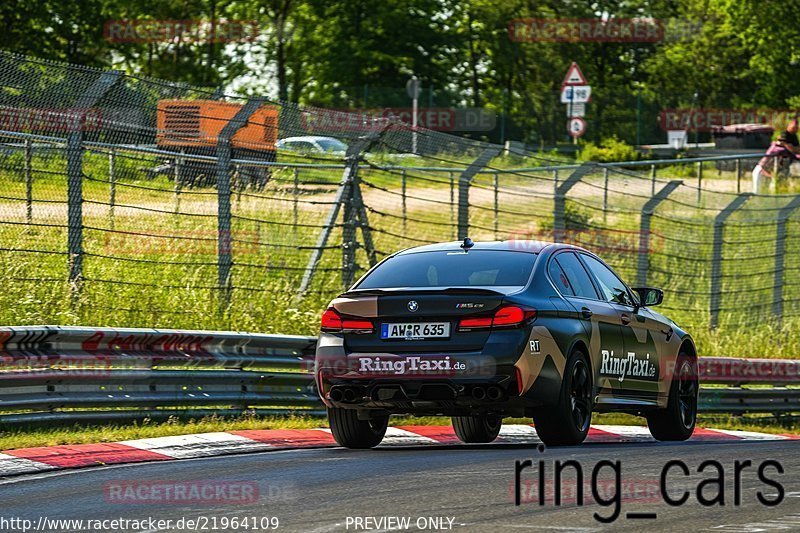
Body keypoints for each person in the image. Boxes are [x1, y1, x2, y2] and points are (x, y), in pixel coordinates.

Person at [752, 118, 800, 193]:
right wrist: (789, 146)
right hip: (762, 170)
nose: (796, 129)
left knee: (767, 192)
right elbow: (793, 150)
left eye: (797, 127)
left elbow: (797, 150)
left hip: (772, 171)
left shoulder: (794, 137)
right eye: (794, 127)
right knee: (758, 192)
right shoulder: (784, 135)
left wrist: (791, 147)